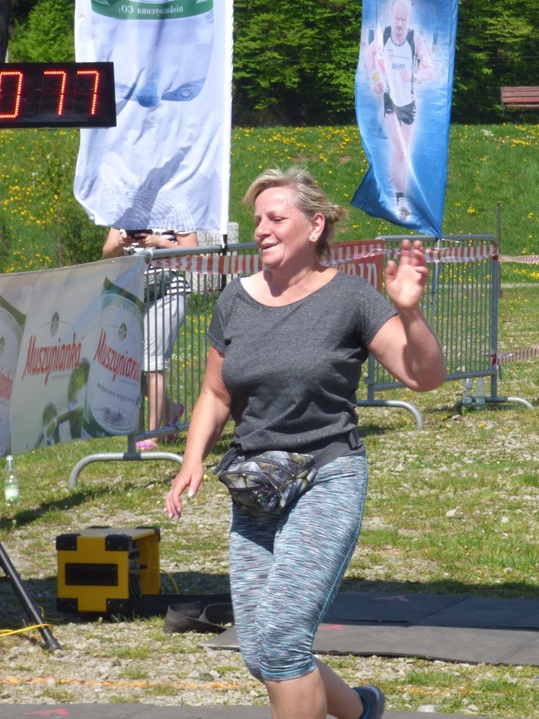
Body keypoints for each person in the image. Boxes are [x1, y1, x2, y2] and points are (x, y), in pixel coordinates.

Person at [165, 167, 445, 719]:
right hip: (257, 486)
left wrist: (409, 312)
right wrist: (191, 459)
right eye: (257, 220)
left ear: (315, 226)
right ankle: (362, 709)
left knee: (282, 641)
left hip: (326, 477)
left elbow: (425, 377)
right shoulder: (235, 299)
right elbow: (215, 393)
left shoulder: (350, 298)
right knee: (260, 651)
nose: (261, 230)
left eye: (276, 218)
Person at [102, 227, 197, 451]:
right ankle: (171, 410)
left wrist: (159, 242)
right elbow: (107, 252)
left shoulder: (177, 211)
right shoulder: (123, 212)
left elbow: (194, 251)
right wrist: (121, 242)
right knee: (134, 366)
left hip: (167, 291)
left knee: (153, 365)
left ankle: (153, 434)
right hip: (131, 292)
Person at [364, 0, 434, 222]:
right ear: (391, 15)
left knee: (404, 152)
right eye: (397, 19)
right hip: (390, 98)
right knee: (399, 148)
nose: (400, 24)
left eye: (404, 19)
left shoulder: (414, 38)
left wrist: (414, 76)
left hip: (408, 102)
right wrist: (375, 77)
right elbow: (369, 54)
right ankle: (400, 198)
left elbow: (429, 69)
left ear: (409, 19)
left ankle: (403, 194)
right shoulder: (384, 35)